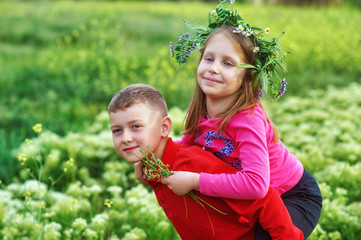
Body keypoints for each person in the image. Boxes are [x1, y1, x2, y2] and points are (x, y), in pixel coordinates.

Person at [137, 1, 323, 239]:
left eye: (227, 63)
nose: (213, 68)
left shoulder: (246, 119)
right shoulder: (202, 103)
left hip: (292, 195)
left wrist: (194, 180)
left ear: (247, 77)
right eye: (208, 58)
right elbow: (187, 148)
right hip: (257, 199)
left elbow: (256, 184)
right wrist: (153, 160)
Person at [109, 84, 303, 240]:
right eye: (117, 130)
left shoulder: (191, 164)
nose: (125, 138)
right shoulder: (156, 169)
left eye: (135, 126)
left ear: (164, 127)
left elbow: (264, 198)